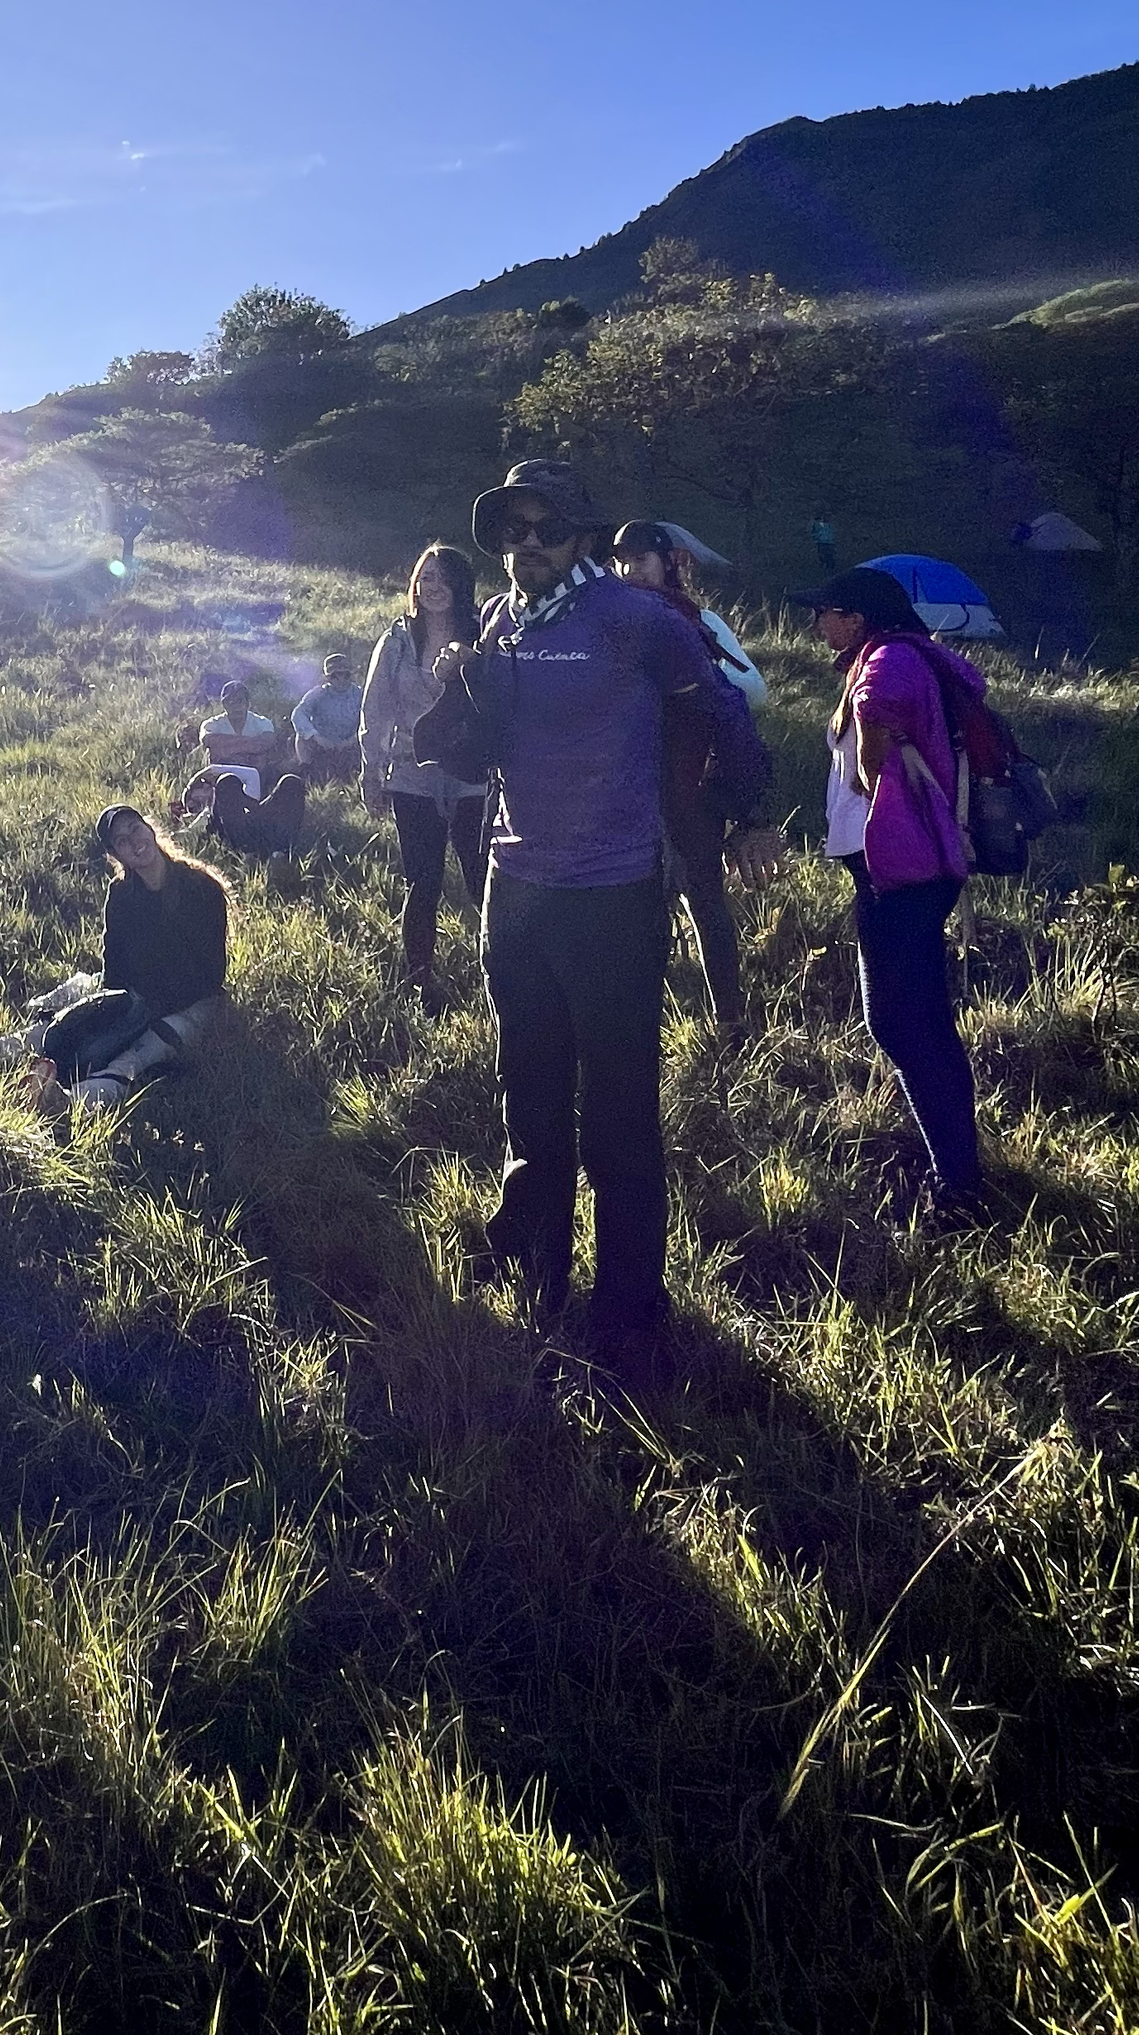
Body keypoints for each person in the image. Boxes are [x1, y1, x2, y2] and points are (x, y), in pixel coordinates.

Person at [413, 460, 772, 1384]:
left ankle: (627, 1308)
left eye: (544, 528)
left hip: (613, 894)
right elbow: (478, 740)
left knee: (617, 1108)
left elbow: (725, 708)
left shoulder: (633, 618)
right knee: (526, 1086)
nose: (523, 544)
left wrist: (751, 815)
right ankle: (534, 1267)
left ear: (579, 533)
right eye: (510, 530)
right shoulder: (498, 623)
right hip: (512, 885)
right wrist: (458, 699)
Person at [796, 566, 987, 1222]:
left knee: (902, 1023)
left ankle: (957, 1186)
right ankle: (958, 1172)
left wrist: (871, 787)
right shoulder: (908, 654)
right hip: (911, 868)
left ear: (856, 616)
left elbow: (875, 733)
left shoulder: (887, 660)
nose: (816, 624)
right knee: (923, 1020)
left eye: (823, 610)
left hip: (898, 869)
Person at [0, 807, 230, 1114]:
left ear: (150, 828)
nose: (133, 842)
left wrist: (146, 1011)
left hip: (193, 1003)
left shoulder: (200, 888)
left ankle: (67, 1101)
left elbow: (210, 974)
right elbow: (113, 963)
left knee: (133, 1057)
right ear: (116, 854)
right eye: (121, 840)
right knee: (58, 1027)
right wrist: (112, 1010)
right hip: (135, 996)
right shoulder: (121, 894)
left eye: (134, 829)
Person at [611, 521, 770, 1038]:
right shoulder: (609, 620)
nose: (629, 570)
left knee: (702, 900)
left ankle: (729, 1020)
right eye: (622, 562)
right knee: (645, 909)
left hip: (688, 789)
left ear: (667, 565)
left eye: (640, 560)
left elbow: (750, 694)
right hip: (630, 790)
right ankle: (644, 1025)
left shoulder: (694, 622)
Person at [359, 544, 488, 1011]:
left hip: (473, 776)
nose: (434, 587)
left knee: (481, 879)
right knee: (423, 881)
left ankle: (501, 977)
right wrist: (371, 768)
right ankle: (420, 984)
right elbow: (376, 707)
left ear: (461, 586)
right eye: (426, 578)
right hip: (412, 775)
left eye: (444, 578)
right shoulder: (397, 640)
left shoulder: (483, 634)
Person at [183, 760, 310, 862]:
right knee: (226, 781)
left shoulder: (239, 789)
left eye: (202, 782)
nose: (203, 785)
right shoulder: (207, 814)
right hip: (240, 835)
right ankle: (247, 853)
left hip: (259, 821)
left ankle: (280, 851)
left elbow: (252, 774)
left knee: (290, 781)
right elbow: (188, 832)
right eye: (194, 799)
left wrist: (213, 770)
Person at [290, 654, 364, 786]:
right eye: (335, 676)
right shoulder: (317, 694)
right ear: (326, 678)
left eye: (345, 675)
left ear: (351, 675)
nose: (341, 680)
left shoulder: (360, 695)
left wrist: (354, 738)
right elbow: (298, 714)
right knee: (301, 737)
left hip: (352, 743)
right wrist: (315, 736)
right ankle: (307, 771)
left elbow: (371, 719)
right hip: (322, 744)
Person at [194, 680, 279, 796]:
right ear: (224, 705)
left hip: (256, 777)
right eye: (230, 702)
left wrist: (227, 749)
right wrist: (249, 751)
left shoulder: (262, 723)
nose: (236, 706)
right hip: (224, 777)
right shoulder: (211, 724)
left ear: (248, 703)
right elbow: (208, 740)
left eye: (240, 701)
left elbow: (267, 741)